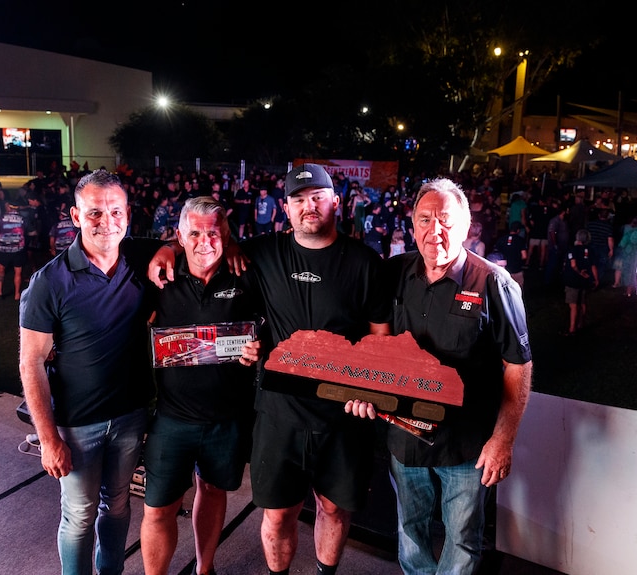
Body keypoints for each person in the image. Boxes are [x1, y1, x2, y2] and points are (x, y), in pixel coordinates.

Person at [149, 163, 391, 575]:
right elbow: (207, 239)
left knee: (333, 509)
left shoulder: (365, 262)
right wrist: (170, 248)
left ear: (336, 201)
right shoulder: (262, 252)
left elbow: (380, 338)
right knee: (278, 515)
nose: (309, 206)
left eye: (317, 197)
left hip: (342, 418)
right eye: (299, 199)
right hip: (280, 414)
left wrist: (372, 387)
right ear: (286, 208)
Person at [345, 178, 533, 575]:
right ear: (412, 226)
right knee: (410, 534)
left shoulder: (493, 283)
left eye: (446, 220)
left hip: (465, 445)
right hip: (404, 439)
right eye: (425, 220)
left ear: (466, 227)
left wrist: (503, 439)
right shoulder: (393, 273)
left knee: (461, 539)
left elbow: (519, 364)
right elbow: (375, 343)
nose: (436, 231)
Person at [19, 169, 157, 575]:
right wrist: (49, 440)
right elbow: (31, 362)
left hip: (130, 415)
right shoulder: (49, 282)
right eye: (95, 212)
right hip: (77, 425)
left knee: (117, 505)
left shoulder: (139, 259)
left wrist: (170, 250)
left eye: (115, 212)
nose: (106, 222)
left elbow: (186, 244)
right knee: (79, 515)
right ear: (76, 217)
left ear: (127, 214)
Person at [140, 197, 264, 575]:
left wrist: (260, 346)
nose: (204, 242)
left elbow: (269, 325)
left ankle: (204, 569)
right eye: (194, 233)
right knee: (158, 507)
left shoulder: (245, 274)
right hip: (172, 418)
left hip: (227, 419)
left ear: (226, 235)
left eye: (214, 233)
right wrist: (167, 249)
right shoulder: (160, 275)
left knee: (212, 491)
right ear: (179, 236)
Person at [563, 229, 599, 335]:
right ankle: (580, 323)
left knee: (573, 305)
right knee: (582, 302)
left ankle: (572, 329)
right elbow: (593, 266)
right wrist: (596, 279)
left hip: (572, 280)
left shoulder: (572, 250)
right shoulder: (590, 250)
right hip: (584, 281)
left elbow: (573, 265)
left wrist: (579, 273)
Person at [0, 202, 28, 300]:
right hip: (18, 249)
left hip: (3, 249)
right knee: (18, 272)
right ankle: (17, 294)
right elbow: (32, 231)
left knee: (1, 269)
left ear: (9, 208)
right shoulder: (23, 219)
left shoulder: (2, 219)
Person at [494, 220, 528, 290]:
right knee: (518, 290)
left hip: (503, 270)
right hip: (516, 270)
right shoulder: (521, 240)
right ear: (518, 230)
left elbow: (495, 254)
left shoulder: (501, 239)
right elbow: (524, 256)